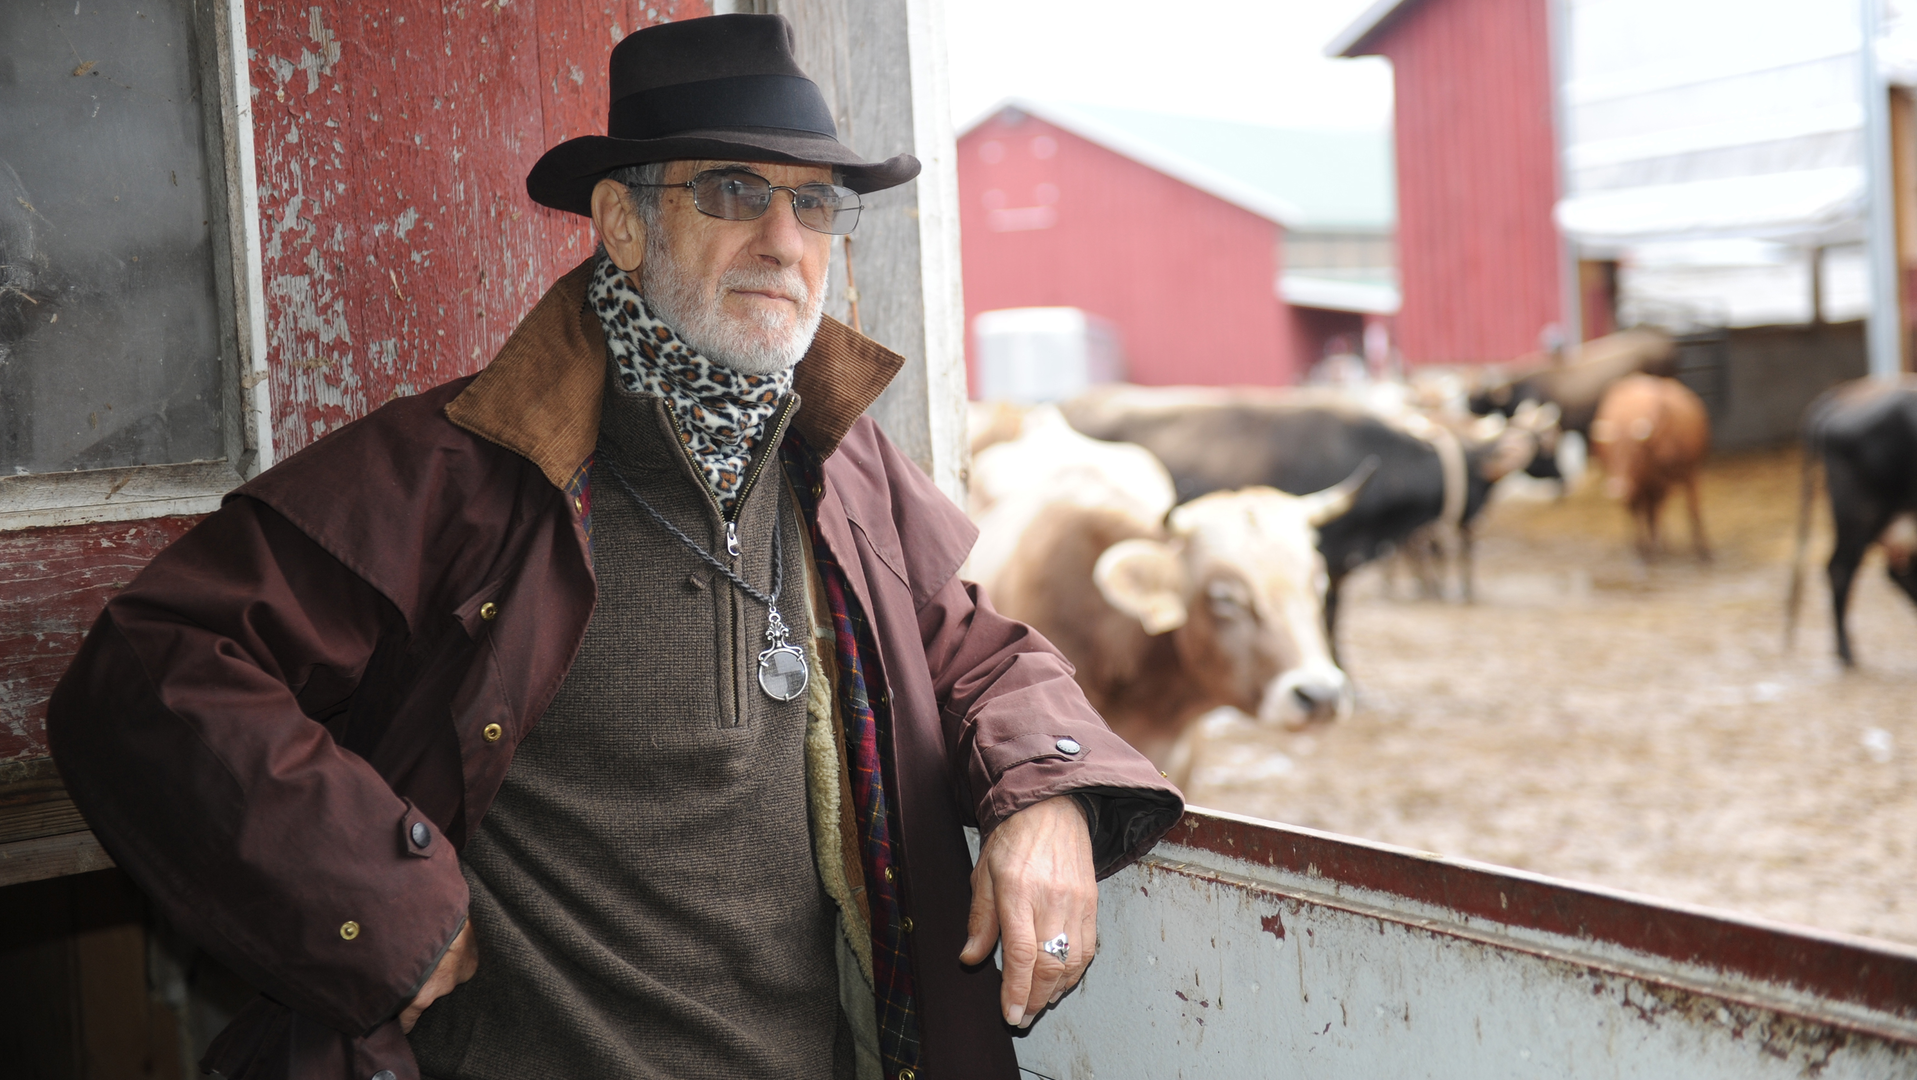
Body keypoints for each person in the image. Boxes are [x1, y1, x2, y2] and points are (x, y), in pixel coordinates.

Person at [47, 14, 1181, 1080]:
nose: (785, 242)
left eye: (817, 204)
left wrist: (1051, 802)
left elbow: (976, 651)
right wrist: (372, 902)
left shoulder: (838, 463)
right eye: (735, 193)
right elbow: (150, 669)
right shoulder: (461, 472)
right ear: (626, 222)